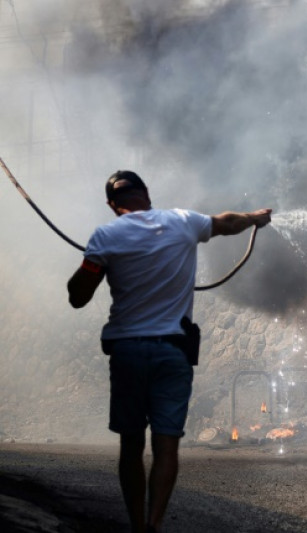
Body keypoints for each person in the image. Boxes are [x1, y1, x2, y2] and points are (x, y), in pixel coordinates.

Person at [67, 170, 271, 533]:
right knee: (166, 446)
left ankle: (135, 525)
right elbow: (227, 223)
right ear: (146, 193)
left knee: (131, 445)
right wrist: (254, 218)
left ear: (113, 205)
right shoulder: (181, 221)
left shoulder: (105, 236)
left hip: (128, 353)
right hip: (173, 354)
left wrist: (92, 261)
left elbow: (78, 297)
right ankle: (154, 525)